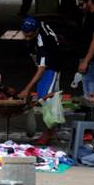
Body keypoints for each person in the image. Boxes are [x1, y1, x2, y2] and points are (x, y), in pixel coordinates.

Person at [17, 16, 62, 145]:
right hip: (46, 65)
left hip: (52, 68)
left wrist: (27, 89)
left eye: (29, 35)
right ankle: (51, 132)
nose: (26, 38)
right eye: (24, 34)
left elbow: (42, 68)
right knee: (43, 97)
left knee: (46, 99)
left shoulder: (43, 41)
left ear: (36, 31)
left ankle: (48, 133)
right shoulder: (39, 25)